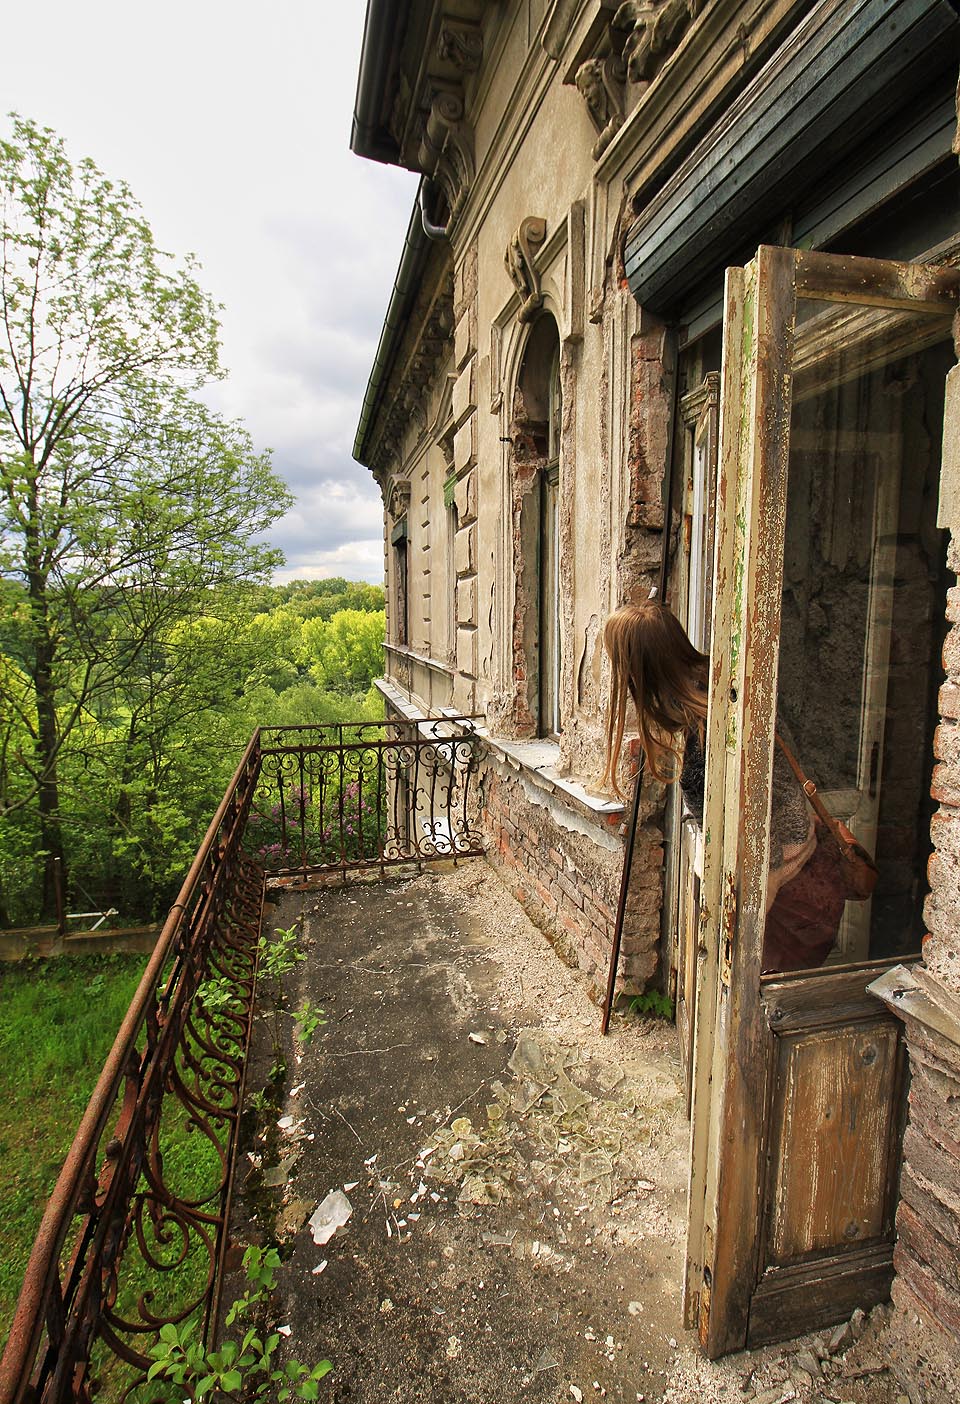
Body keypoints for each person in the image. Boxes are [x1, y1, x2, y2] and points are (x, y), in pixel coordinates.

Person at [603, 598, 840, 972]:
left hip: (785, 889)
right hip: (792, 869)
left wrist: (742, 925)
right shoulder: (718, 684)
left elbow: (761, 823)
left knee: (759, 995)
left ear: (640, 667)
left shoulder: (710, 720)